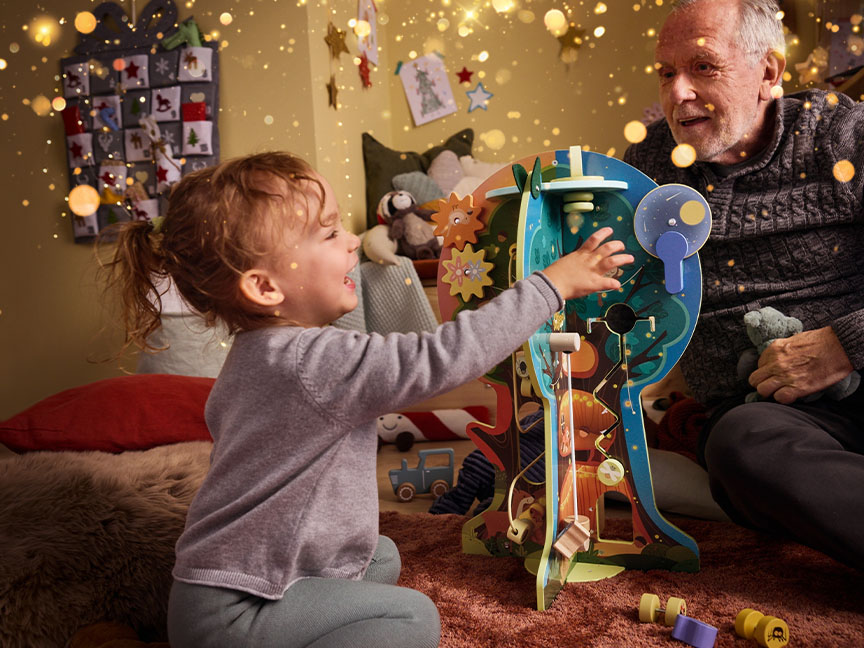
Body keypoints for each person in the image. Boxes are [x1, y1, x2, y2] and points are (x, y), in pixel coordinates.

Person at [101, 151, 634, 647]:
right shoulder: (315, 361)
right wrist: (550, 286)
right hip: (241, 611)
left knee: (378, 556)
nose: (353, 240)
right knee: (413, 617)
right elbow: (444, 357)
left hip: (216, 594)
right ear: (265, 288)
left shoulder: (255, 355)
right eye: (329, 233)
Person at [623, 0, 864, 571]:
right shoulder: (647, 168)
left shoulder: (843, 133)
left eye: (703, 67)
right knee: (740, 445)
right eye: (665, 72)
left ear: (769, 73)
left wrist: (845, 345)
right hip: (774, 419)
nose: (678, 92)